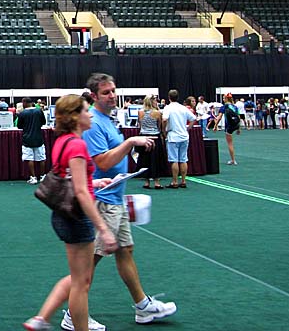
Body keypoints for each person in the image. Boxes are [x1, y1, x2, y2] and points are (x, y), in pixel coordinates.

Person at [83, 73, 176, 328]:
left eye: (113, 90)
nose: (112, 95)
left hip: (115, 197)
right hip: (103, 200)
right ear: (94, 96)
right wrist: (130, 143)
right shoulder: (92, 122)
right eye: (106, 92)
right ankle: (74, 314)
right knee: (91, 258)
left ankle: (143, 306)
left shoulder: (106, 119)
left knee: (125, 250)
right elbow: (101, 161)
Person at [23, 94, 118, 331]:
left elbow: (70, 179)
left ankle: (42, 318)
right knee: (81, 283)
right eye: (86, 111)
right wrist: (103, 229)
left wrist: (94, 183)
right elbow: (80, 192)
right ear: (75, 117)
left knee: (78, 278)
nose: (90, 115)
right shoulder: (77, 144)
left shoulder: (63, 141)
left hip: (63, 215)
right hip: (75, 217)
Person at [161, 89, 196, 189]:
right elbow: (194, 118)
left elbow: (164, 119)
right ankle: (183, 180)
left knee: (174, 160)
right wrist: (188, 128)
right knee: (183, 159)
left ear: (169, 98)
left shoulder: (168, 108)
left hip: (173, 136)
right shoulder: (183, 108)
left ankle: (175, 181)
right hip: (184, 136)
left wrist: (164, 130)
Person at [136, 95, 164, 190]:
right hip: (155, 137)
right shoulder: (157, 113)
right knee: (156, 159)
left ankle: (146, 182)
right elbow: (159, 126)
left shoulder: (140, 112)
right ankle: (156, 182)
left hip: (144, 137)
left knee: (145, 159)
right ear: (152, 102)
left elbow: (140, 124)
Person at [18, 97, 47, 185]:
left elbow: (19, 126)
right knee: (41, 158)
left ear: (25, 103)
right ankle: (42, 176)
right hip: (38, 138)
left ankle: (33, 177)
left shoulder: (22, 113)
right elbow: (43, 122)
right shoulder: (39, 111)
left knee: (29, 158)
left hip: (27, 139)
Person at [213, 93, 241, 165]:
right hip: (235, 125)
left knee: (230, 143)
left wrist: (215, 126)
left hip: (229, 126)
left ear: (226, 99)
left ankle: (233, 160)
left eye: (223, 98)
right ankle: (232, 159)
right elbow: (238, 117)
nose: (223, 99)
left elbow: (219, 117)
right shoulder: (235, 107)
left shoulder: (224, 107)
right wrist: (239, 128)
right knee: (230, 142)